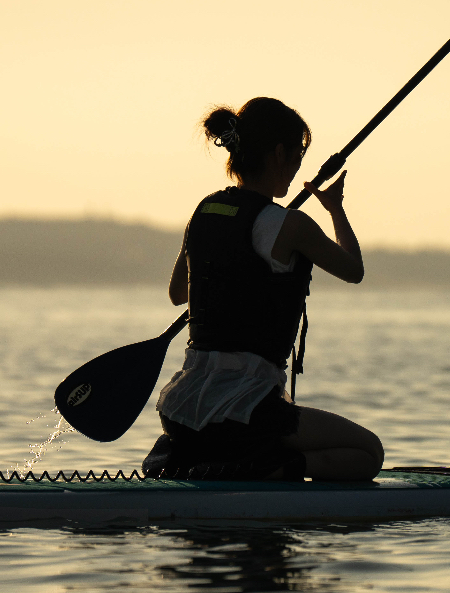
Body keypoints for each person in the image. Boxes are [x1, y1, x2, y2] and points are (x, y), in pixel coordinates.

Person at [141, 97, 384, 482]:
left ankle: (191, 456)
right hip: (248, 415)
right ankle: (266, 469)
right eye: (297, 160)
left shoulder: (205, 211)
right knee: (368, 452)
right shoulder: (291, 225)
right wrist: (335, 208)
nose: (296, 171)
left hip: (182, 411)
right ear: (278, 153)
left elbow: (177, 293)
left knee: (257, 430)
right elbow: (353, 270)